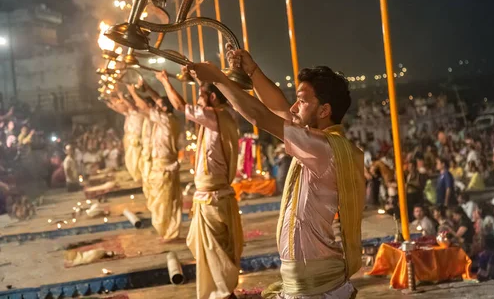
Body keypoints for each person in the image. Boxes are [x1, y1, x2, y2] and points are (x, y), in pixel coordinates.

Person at [191, 50, 364, 299]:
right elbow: (281, 109)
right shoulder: (313, 141)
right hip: (306, 277)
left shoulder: (323, 147)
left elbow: (261, 116)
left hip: (316, 282)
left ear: (325, 110)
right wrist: (252, 72)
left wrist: (219, 80)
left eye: (302, 101)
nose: (294, 107)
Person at [156, 70, 243, 299]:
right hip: (211, 196)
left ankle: (224, 293)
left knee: (216, 250)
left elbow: (180, 105)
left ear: (213, 98)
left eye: (201, 97)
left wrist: (166, 80)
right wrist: (198, 79)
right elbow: (202, 96)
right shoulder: (218, 117)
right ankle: (221, 291)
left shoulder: (217, 116)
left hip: (214, 198)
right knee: (211, 248)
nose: (198, 102)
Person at [127, 83, 182, 242]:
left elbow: (144, 106)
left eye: (159, 106)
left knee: (164, 203)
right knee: (161, 201)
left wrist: (133, 91)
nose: (155, 109)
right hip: (159, 166)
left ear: (164, 109)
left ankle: (168, 232)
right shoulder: (164, 120)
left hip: (165, 167)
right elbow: (153, 103)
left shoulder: (167, 121)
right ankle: (167, 231)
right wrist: (147, 88)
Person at [119, 92, 144, 182]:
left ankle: (139, 177)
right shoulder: (130, 112)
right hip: (130, 138)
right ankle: (135, 176)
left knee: (136, 159)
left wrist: (120, 95)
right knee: (130, 159)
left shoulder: (137, 111)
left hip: (136, 139)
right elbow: (119, 109)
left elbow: (131, 106)